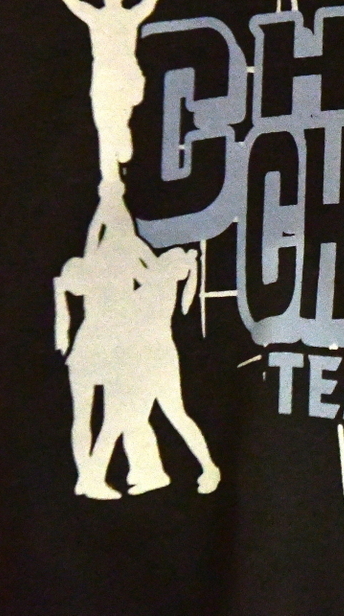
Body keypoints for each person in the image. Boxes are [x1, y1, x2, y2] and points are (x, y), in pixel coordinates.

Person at [55, 195, 220, 497]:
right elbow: (130, 248)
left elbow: (127, 247)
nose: (159, 256)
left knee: (126, 419)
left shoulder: (157, 281)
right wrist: (114, 211)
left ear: (169, 267)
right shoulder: (157, 278)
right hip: (149, 358)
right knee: (153, 417)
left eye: (165, 257)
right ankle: (162, 472)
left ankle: (95, 478)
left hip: (149, 360)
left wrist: (111, 211)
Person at [13, 0, 192, 182]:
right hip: (111, 82)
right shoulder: (121, 15)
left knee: (109, 134)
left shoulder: (105, 16)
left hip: (119, 81)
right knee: (109, 134)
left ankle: (116, 162)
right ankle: (111, 181)